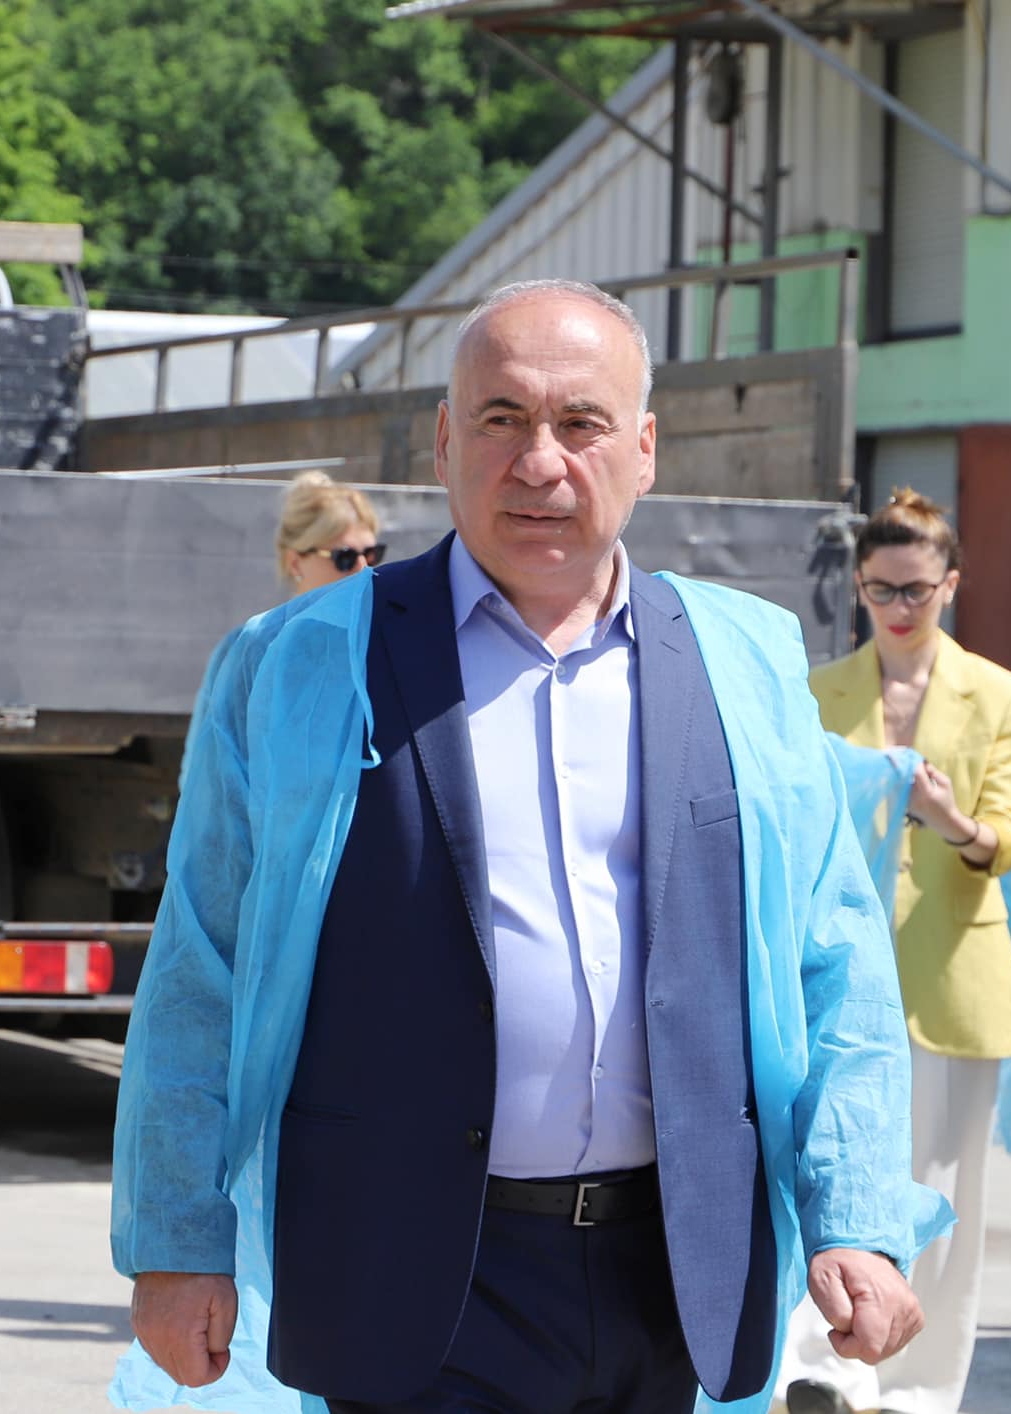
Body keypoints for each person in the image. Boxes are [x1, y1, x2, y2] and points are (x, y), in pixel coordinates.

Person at [111, 279, 951, 1414]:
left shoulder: (741, 660)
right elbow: (200, 968)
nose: (538, 462)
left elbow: (832, 954)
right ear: (443, 442)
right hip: (405, 1280)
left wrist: (856, 1215)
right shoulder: (295, 662)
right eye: (500, 419)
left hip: (676, 1275)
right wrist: (176, 1236)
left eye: (580, 423)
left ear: (642, 450)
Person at [780, 491, 1011, 1414]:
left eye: (917, 590)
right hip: (839, 969)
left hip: (954, 973)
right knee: (830, 1167)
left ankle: (920, 1388)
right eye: (880, 588)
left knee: (944, 1192)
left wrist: (947, 818)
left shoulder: (999, 693)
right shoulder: (819, 689)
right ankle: (825, 1367)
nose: (897, 607)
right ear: (857, 584)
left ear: (951, 586)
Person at [184, 474, 383, 784]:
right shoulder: (251, 649)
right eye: (344, 558)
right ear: (295, 562)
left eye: (371, 555)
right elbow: (208, 776)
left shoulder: (384, 645)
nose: (363, 570)